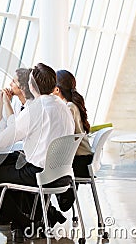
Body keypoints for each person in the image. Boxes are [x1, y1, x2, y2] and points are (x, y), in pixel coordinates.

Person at [0, 63, 75, 241]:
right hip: (62, 173)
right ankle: (39, 215)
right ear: (54, 85)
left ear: (31, 86)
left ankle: (24, 223)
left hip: (38, 173)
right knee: (1, 162)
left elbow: (2, 141)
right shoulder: (63, 107)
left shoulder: (34, 109)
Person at [0, 68, 35, 226]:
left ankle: (12, 215)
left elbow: (12, 131)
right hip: (20, 152)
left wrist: (6, 104)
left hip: (25, 156)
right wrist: (1, 100)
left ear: (23, 87)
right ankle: (5, 211)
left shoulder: (29, 109)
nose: (9, 84)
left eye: (13, 81)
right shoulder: (18, 104)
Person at [53, 69, 93, 211]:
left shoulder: (68, 107)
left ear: (57, 89)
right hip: (83, 159)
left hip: (79, 162)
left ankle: (45, 212)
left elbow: (65, 138)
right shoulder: (71, 105)